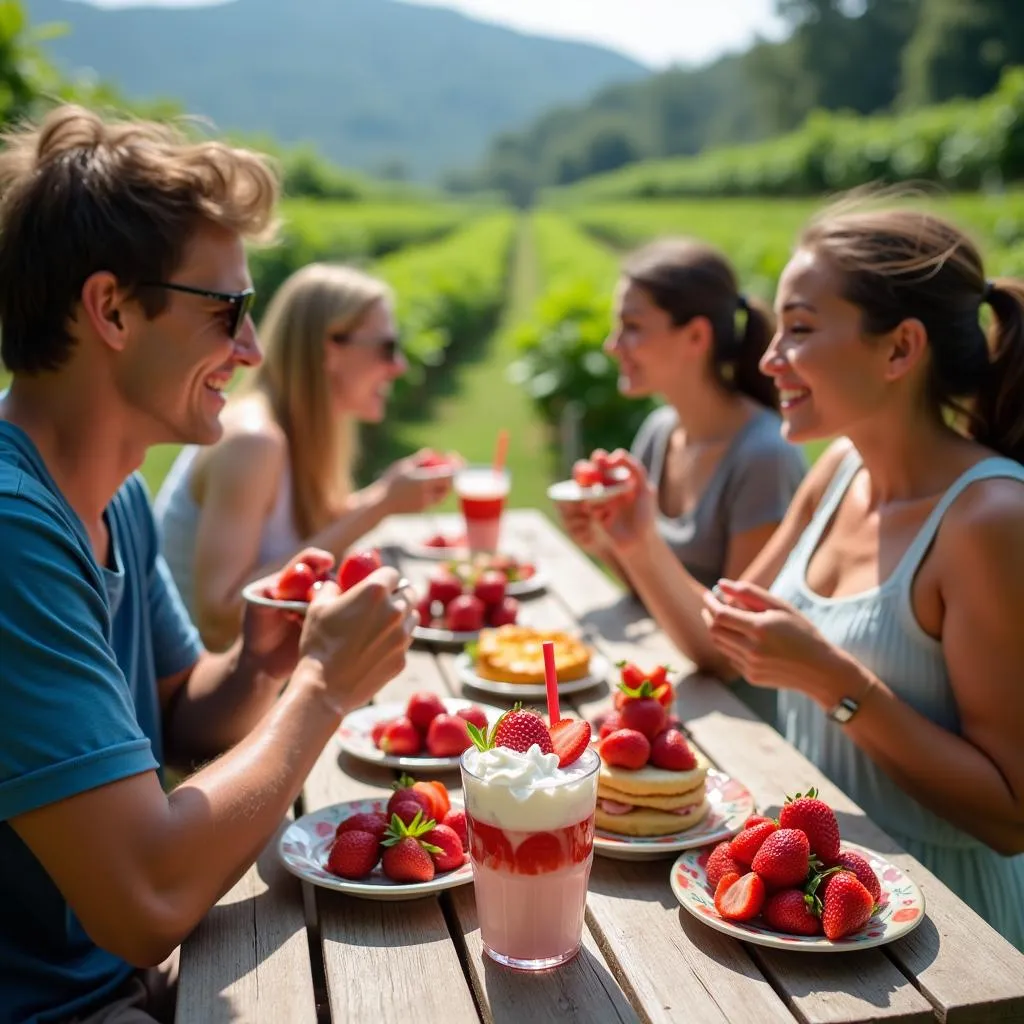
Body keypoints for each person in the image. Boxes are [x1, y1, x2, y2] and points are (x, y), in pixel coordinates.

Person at [0, 105, 417, 1023]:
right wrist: (321, 687)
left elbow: (183, 710)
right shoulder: (12, 535)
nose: (253, 349)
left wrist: (267, 656)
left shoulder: (115, 495)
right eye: (226, 310)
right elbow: (145, 898)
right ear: (111, 308)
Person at [592, 202, 1024, 949]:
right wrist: (636, 542)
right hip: (808, 910)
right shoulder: (837, 472)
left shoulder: (988, 520)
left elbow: (1010, 814)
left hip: (950, 935)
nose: (766, 358)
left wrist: (834, 682)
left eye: (799, 328)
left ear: (899, 350)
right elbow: (718, 644)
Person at [556, 238, 805, 719]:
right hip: (672, 693)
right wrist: (606, 543)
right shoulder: (660, 431)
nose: (613, 345)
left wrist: (640, 544)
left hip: (743, 726)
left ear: (695, 337)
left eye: (632, 327)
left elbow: (728, 655)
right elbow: (650, 589)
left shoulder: (764, 458)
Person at [155, 262, 453, 651]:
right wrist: (380, 503)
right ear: (330, 349)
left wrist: (389, 495)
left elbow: (309, 535)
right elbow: (219, 619)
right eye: (387, 348)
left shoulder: (304, 430)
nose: (400, 366)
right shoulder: (253, 442)